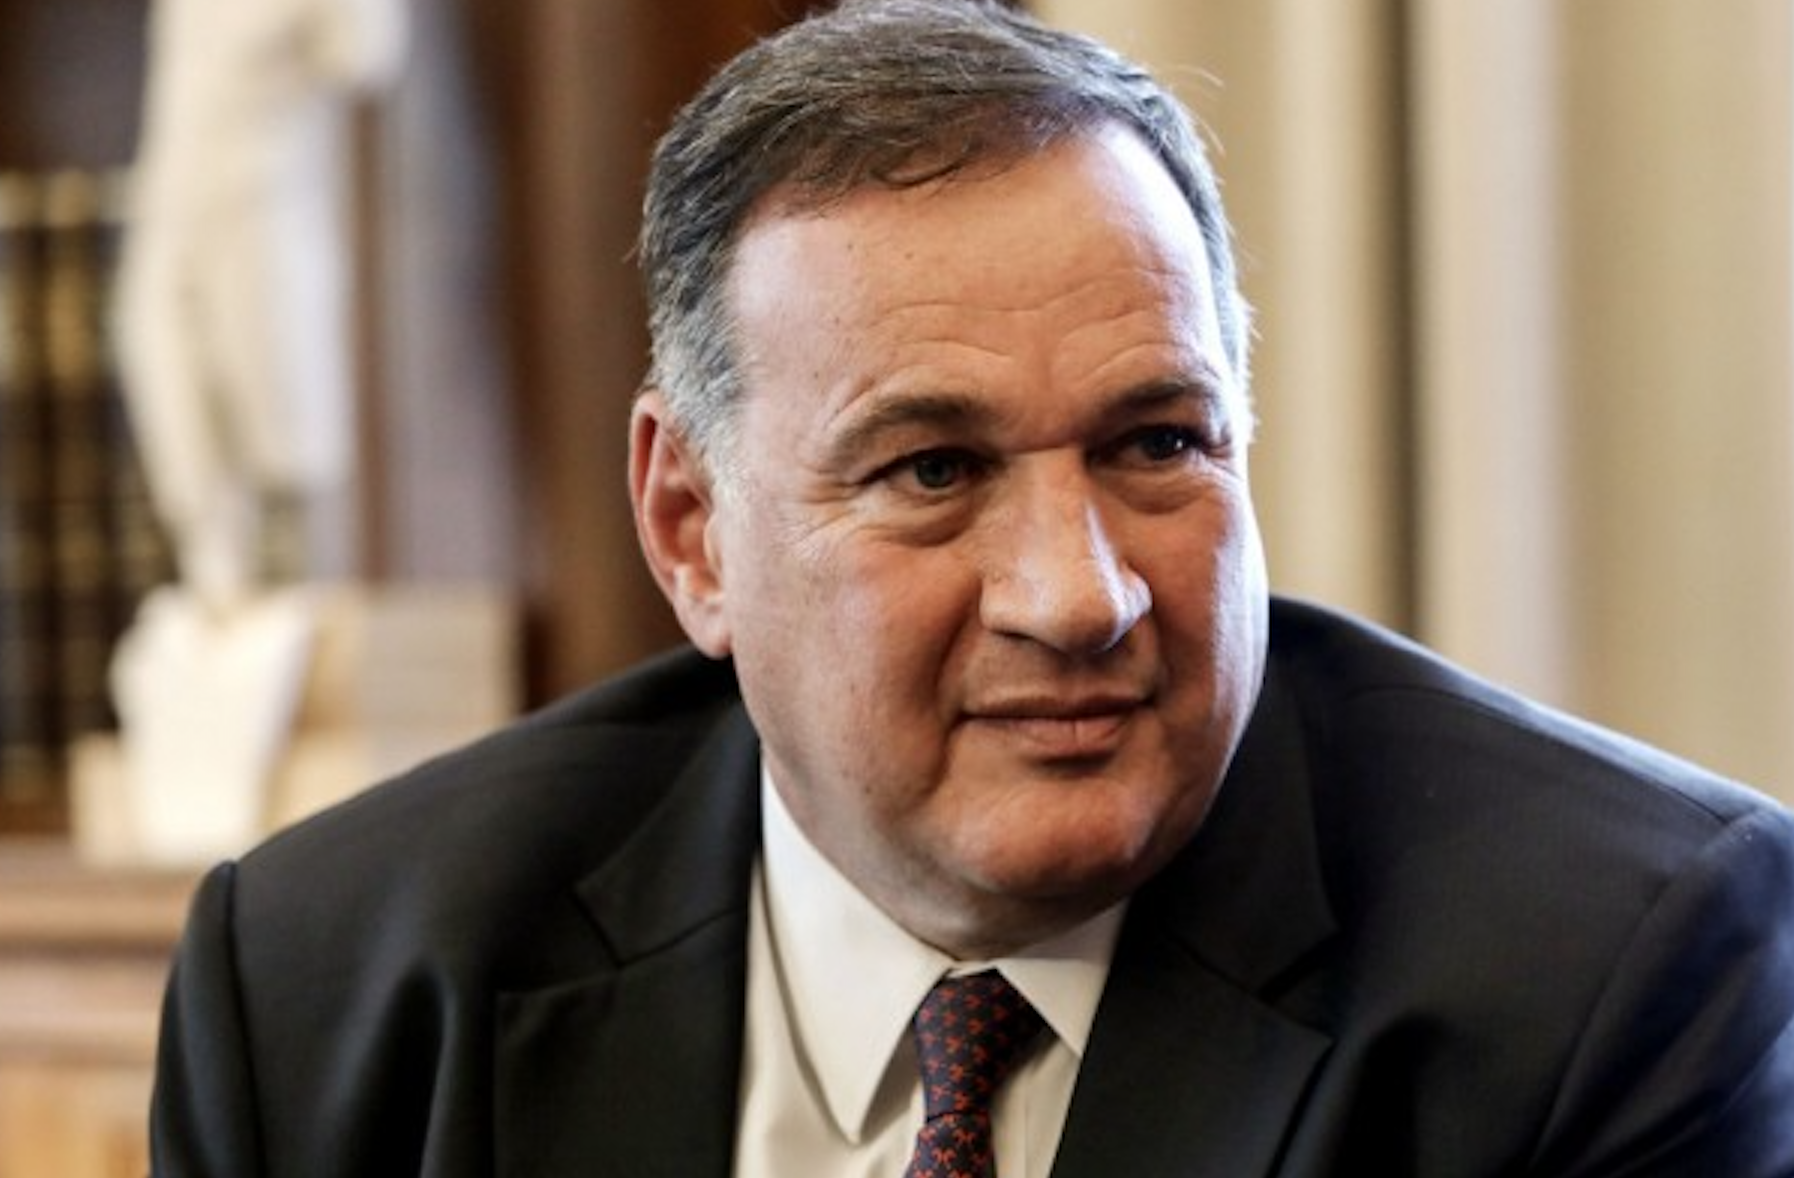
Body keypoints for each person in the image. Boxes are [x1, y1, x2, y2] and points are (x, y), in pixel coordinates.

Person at [148, 1, 1794, 1174]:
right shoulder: (335, 985)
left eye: (1156, 444)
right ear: (692, 529)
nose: (1078, 598)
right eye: (932, 470)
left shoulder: (1608, 967)